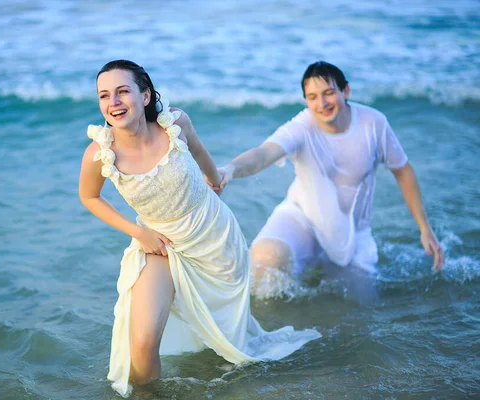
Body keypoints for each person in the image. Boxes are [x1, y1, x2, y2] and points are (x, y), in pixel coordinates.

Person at [78, 60, 320, 396]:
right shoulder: (101, 153)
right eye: (105, 95)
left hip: (213, 238)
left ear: (145, 95)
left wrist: (215, 177)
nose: (113, 102)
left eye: (123, 91)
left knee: (227, 334)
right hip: (159, 244)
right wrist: (138, 233)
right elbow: (89, 197)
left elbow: (199, 149)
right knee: (144, 340)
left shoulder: (174, 124)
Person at [214, 61, 445, 298]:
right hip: (302, 218)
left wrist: (424, 227)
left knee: (359, 309)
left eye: (329, 93)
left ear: (346, 91)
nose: (322, 104)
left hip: (353, 232)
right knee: (264, 259)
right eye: (312, 97)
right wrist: (230, 169)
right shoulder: (301, 126)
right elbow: (263, 154)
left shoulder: (373, 123)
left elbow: (402, 170)